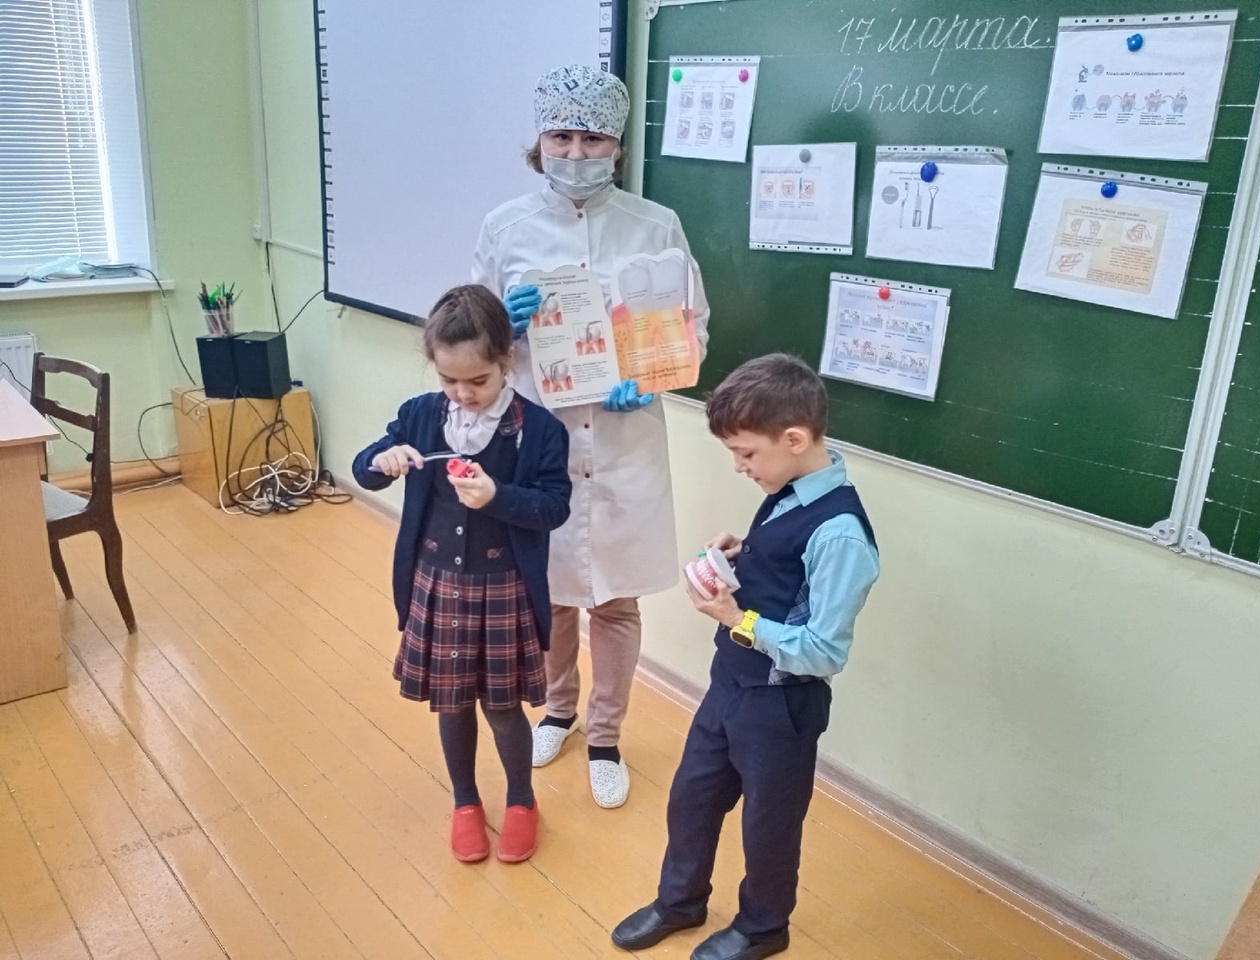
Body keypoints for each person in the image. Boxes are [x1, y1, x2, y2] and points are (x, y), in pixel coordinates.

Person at [473, 64, 710, 808]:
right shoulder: (504, 228)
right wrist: (502, 328)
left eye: (593, 138)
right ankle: (559, 710)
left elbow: (692, 324)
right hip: (539, 443)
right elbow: (468, 340)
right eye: (562, 137)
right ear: (539, 141)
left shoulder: (655, 225)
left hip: (622, 436)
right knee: (548, 594)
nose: (576, 152)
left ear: (618, 145)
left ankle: (606, 735)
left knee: (615, 602)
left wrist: (656, 374)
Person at [611, 354, 880, 960]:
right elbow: (787, 571)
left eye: (746, 453)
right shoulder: (789, 490)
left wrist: (738, 619)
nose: (739, 467)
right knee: (692, 800)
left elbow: (822, 650)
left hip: (782, 706)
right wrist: (745, 553)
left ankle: (763, 928)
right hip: (730, 685)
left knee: (768, 827)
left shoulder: (841, 534)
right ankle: (680, 902)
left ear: (795, 439)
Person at [352, 284, 572, 864]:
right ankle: (465, 802)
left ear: (507, 360)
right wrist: (381, 462)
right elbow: (363, 468)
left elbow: (554, 507)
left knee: (501, 706)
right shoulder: (422, 416)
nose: (463, 393)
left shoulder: (538, 429)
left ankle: (521, 802)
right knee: (451, 703)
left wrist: (497, 496)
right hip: (436, 583)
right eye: (449, 379)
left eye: (478, 380)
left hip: (503, 588)